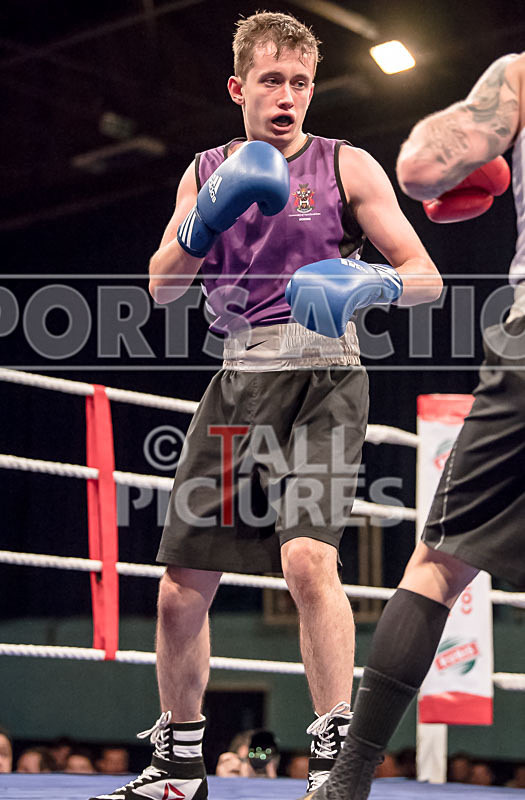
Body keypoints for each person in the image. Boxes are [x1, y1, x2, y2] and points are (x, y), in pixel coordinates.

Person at [92, 11, 440, 800]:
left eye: (300, 82)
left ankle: (334, 758)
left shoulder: (346, 164)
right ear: (238, 86)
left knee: (307, 558)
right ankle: (178, 765)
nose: (287, 96)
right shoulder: (203, 167)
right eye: (271, 81)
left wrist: (373, 282)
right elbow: (160, 287)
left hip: (326, 374)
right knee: (182, 582)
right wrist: (201, 216)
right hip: (239, 374)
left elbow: (427, 275)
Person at [297, 50, 525, 800]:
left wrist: (488, 151)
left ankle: (350, 776)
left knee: (436, 564)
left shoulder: (519, 76)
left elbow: (422, 168)